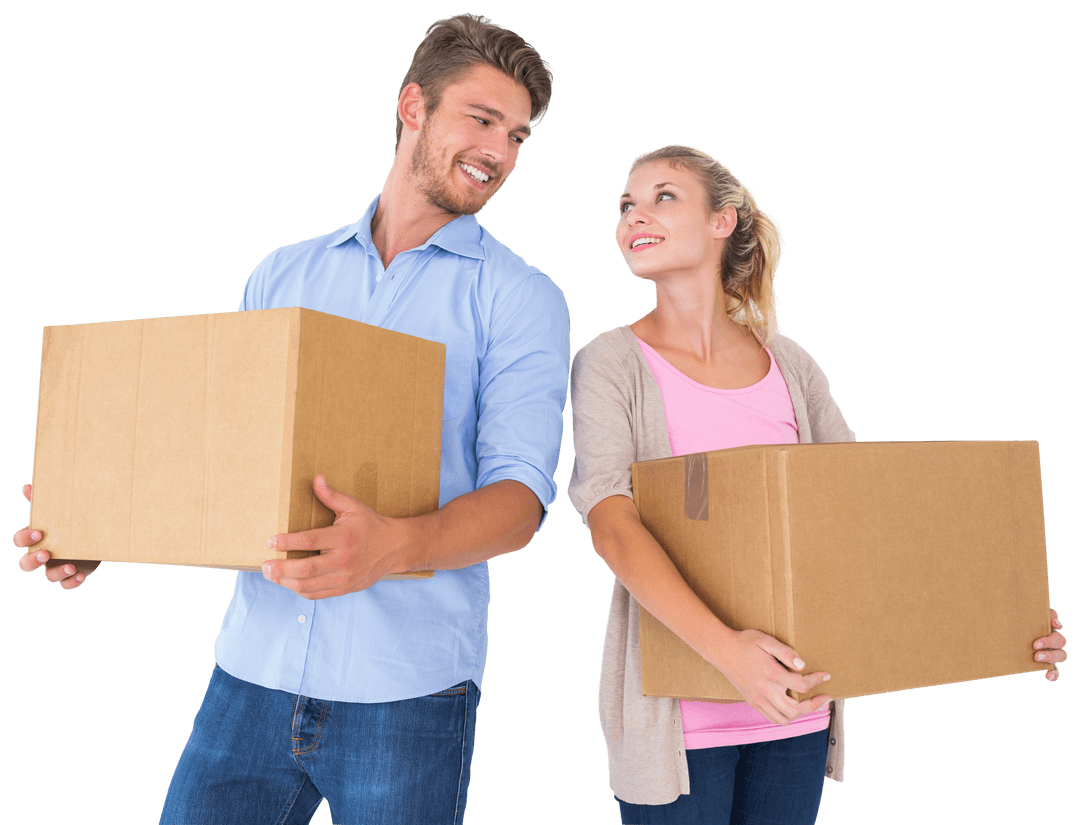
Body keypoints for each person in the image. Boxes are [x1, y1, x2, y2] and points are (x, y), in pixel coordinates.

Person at [14, 13, 570, 825]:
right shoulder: (286, 272)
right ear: (413, 105)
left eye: (518, 136)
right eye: (481, 119)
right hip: (251, 673)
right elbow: (222, 455)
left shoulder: (520, 298)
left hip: (406, 690)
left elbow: (520, 499)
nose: (500, 151)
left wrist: (397, 545)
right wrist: (105, 526)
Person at [565, 143, 1067, 824]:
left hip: (796, 713)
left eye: (662, 197)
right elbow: (611, 520)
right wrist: (731, 655)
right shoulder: (611, 363)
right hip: (680, 728)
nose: (634, 215)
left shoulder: (789, 365)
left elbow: (867, 513)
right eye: (626, 203)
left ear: (724, 220)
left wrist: (1003, 614)